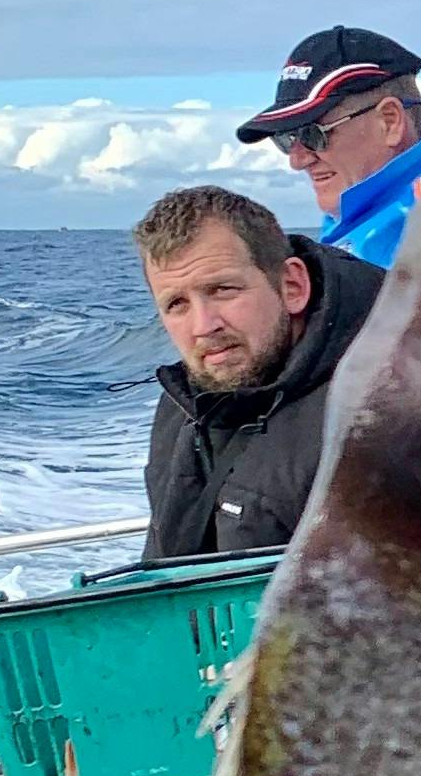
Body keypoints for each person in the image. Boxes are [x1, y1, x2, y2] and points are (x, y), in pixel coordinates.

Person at [134, 184, 383, 563]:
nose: (203, 326)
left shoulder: (379, 414)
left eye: (222, 290)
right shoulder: (183, 408)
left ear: (292, 287)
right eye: (177, 304)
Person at [234, 25, 421, 266]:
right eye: (287, 138)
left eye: (312, 134)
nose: (297, 161)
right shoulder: (364, 213)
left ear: (389, 122)